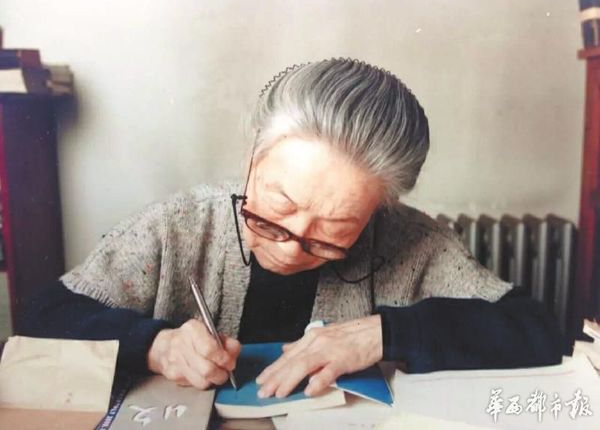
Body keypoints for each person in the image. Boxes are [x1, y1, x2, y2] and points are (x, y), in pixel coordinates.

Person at [23, 58, 564, 399]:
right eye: (275, 209)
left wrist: (382, 334)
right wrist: (154, 345)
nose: (290, 248)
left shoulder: (411, 241)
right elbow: (44, 317)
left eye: (333, 233)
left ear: (378, 211)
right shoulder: (182, 224)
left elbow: (537, 328)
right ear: (253, 159)